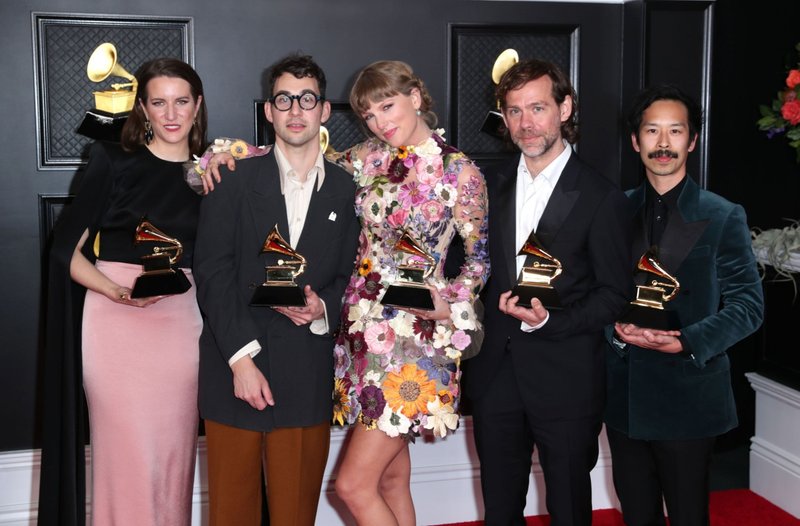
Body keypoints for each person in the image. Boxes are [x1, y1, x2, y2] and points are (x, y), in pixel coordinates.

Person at [202, 59, 490, 526]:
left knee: (353, 486)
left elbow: (480, 260)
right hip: (364, 338)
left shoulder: (462, 173)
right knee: (392, 480)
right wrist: (225, 156)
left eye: (388, 106)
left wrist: (450, 304)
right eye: (370, 114)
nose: (381, 121)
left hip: (417, 342)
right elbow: (298, 154)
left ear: (416, 97)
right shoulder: (365, 159)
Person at [462, 58, 633, 526]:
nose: (526, 123)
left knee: (569, 507)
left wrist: (551, 321)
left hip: (567, 377)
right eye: (514, 111)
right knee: (499, 506)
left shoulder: (601, 197)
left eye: (537, 107)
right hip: (496, 370)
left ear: (565, 108)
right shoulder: (488, 185)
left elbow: (614, 294)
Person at [191, 53, 360, 526]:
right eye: (284, 99)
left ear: (325, 111)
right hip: (233, 367)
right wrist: (241, 360)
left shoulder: (348, 191)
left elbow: (350, 275)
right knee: (232, 514)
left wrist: (321, 307)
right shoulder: (231, 179)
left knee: (294, 515)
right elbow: (213, 272)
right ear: (269, 111)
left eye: (307, 99)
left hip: (305, 372)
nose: (295, 110)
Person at [39, 57, 208, 526]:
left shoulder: (214, 170)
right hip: (116, 328)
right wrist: (117, 291)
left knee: (173, 461)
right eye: (158, 102)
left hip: (181, 327)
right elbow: (64, 254)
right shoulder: (112, 160)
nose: (171, 114)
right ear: (143, 108)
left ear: (198, 106)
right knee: (128, 459)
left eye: (181, 101)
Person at [604, 84, 764, 526]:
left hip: (689, 394)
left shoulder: (722, 214)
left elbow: (749, 305)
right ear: (636, 141)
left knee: (690, 516)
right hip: (626, 394)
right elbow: (597, 294)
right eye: (652, 131)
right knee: (637, 515)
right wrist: (615, 335)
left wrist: (688, 342)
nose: (663, 143)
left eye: (675, 131)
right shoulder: (612, 212)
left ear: (692, 141)